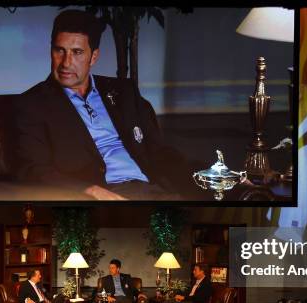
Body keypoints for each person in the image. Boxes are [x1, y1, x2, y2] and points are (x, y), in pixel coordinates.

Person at [14, 10, 195, 201]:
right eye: (60, 50)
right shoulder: (32, 104)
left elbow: (158, 150)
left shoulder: (124, 91)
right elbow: (33, 170)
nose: (66, 63)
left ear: (93, 57)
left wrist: (192, 177)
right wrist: (90, 190)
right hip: (102, 197)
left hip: (153, 190)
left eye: (77, 52)